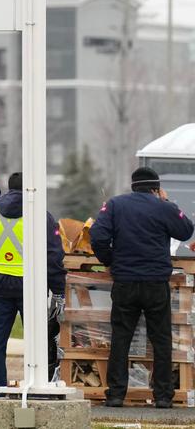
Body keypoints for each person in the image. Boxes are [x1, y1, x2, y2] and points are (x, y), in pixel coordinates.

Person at [89, 166, 194, 409]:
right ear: (156, 188)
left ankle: (115, 395)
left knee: (121, 337)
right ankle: (163, 397)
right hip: (156, 283)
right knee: (161, 339)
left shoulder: (115, 205)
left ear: (133, 185)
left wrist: (110, 260)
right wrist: (167, 203)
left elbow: (98, 235)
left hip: (125, 281)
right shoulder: (163, 206)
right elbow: (186, 230)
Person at [0, 172, 66, 399]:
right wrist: (59, 290)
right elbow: (53, 256)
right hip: (30, 286)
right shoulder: (40, 215)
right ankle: (37, 386)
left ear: (8, 188)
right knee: (36, 342)